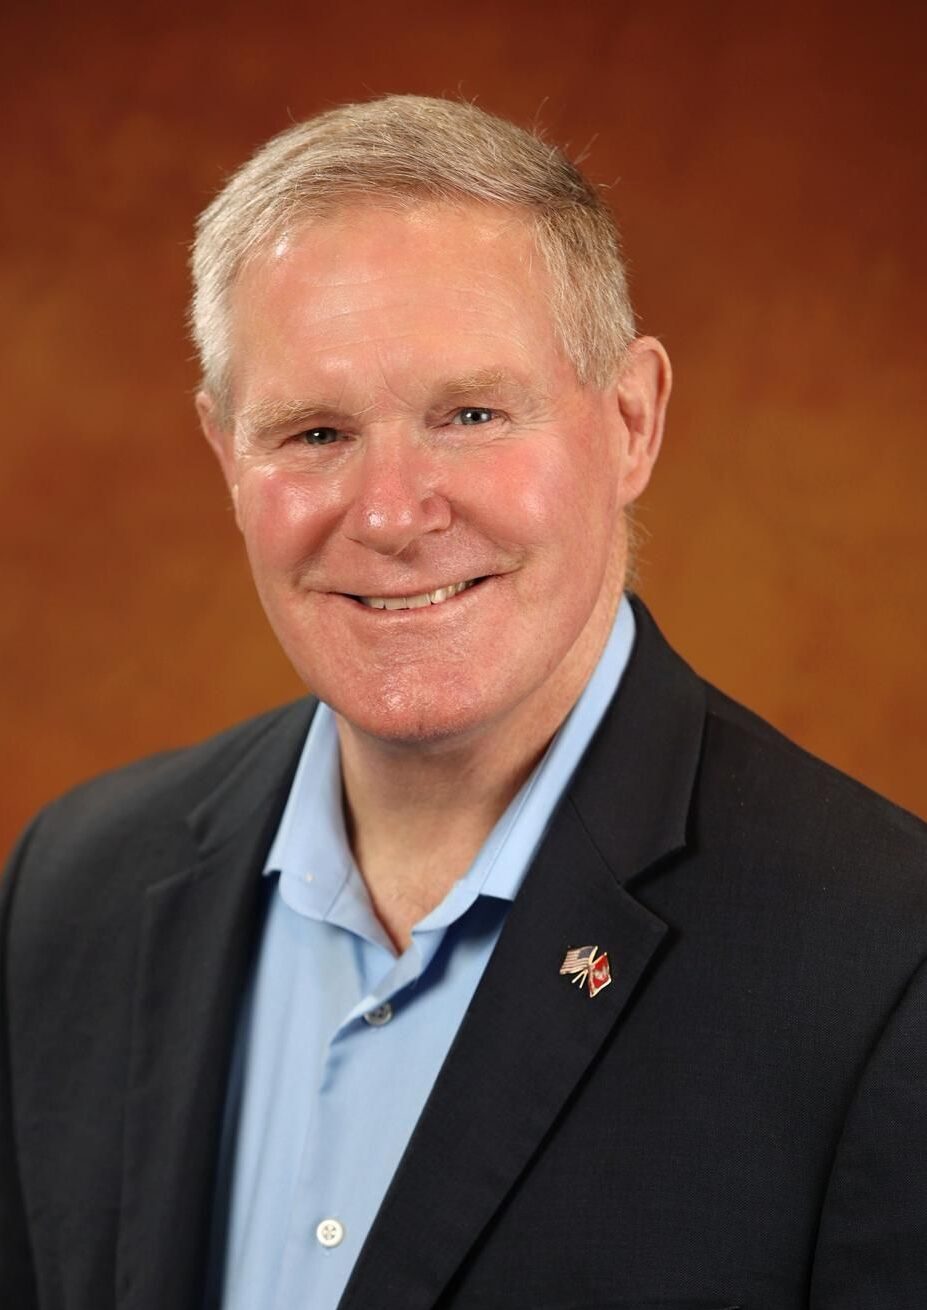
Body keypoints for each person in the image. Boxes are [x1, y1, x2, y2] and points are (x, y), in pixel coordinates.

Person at [2, 95, 925, 1310]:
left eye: (472, 415)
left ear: (632, 420)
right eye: (315, 431)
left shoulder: (883, 964)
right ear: (227, 454)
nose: (391, 513)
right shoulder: (70, 891)